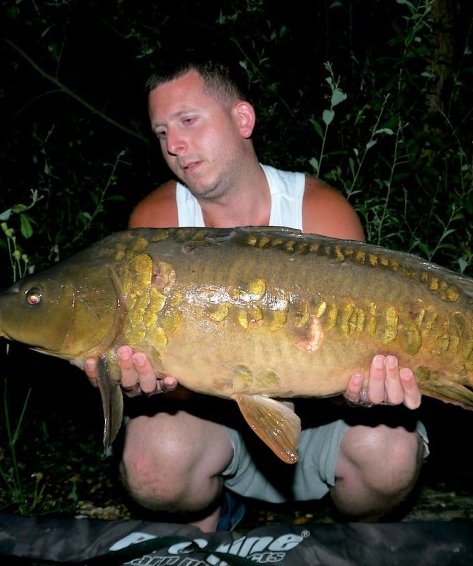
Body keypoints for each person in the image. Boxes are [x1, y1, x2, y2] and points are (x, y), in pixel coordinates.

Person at [83, 59, 429, 533]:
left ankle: (350, 535)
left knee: (391, 455)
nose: (174, 145)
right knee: (149, 466)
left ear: (242, 119)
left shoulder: (321, 212)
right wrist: (155, 382)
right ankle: (213, 513)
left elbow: (347, 371)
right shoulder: (157, 222)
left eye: (188, 121)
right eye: (161, 132)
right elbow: (178, 376)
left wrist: (363, 394)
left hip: (322, 427)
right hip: (215, 430)